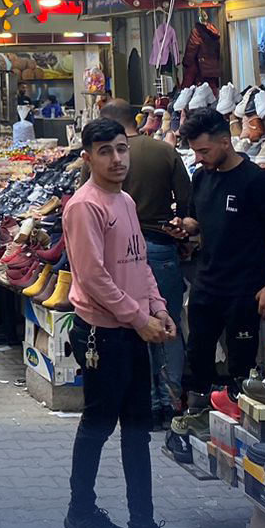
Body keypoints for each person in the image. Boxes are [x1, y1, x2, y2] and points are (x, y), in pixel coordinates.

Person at [61, 119, 194, 528]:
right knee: (98, 424)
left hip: (133, 329)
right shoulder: (85, 206)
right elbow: (93, 277)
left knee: (137, 428)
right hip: (103, 334)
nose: (117, 159)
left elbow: (139, 263)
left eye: (121, 149)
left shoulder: (126, 200)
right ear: (88, 157)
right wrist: (139, 318)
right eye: (105, 151)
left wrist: (158, 307)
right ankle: (81, 512)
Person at [174, 107, 265, 425]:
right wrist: (184, 227)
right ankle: (196, 417)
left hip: (244, 290)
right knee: (197, 356)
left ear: (225, 142)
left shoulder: (256, 181)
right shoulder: (201, 177)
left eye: (204, 150)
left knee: (241, 362)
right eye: (195, 151)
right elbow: (196, 221)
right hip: (205, 285)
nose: (199, 158)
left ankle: (242, 422)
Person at [91, 100, 192, 421]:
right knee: (168, 324)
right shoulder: (164, 151)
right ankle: (171, 400)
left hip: (118, 251)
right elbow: (186, 202)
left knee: (134, 327)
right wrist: (182, 231)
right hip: (161, 246)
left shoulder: (99, 155)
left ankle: (146, 402)